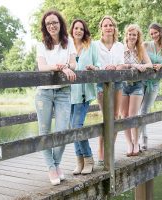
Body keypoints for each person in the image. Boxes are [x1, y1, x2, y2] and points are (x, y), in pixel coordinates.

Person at [35, 10, 76, 185]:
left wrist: (67, 65)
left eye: (55, 22)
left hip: (63, 91)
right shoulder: (41, 45)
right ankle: (51, 167)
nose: (52, 25)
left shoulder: (69, 43)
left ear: (60, 24)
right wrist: (60, 67)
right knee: (44, 132)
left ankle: (57, 164)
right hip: (44, 92)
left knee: (62, 131)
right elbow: (42, 67)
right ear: (45, 26)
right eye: (48, 23)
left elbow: (74, 63)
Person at [69, 19, 100, 175]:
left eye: (81, 28)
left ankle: (88, 159)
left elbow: (99, 64)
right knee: (71, 128)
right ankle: (79, 162)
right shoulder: (66, 45)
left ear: (84, 30)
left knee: (77, 126)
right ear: (72, 30)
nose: (78, 31)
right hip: (68, 94)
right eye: (76, 28)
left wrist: (94, 68)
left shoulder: (91, 45)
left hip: (84, 93)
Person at [95, 16, 125, 165]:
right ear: (101, 28)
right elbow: (94, 64)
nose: (108, 27)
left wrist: (116, 67)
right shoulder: (95, 45)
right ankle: (101, 152)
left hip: (117, 83)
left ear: (114, 28)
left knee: (116, 117)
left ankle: (110, 149)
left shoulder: (119, 45)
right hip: (102, 84)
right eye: (105, 25)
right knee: (106, 118)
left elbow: (122, 64)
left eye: (111, 25)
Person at [139, 23, 162, 151]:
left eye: (155, 33)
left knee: (144, 111)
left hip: (154, 83)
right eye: (151, 33)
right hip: (142, 81)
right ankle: (140, 140)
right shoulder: (146, 45)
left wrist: (161, 66)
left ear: (160, 32)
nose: (153, 35)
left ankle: (144, 140)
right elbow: (138, 59)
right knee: (138, 111)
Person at [120, 24, 152, 156]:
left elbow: (149, 64)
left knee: (133, 115)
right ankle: (128, 143)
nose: (132, 37)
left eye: (134, 34)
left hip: (137, 85)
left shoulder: (140, 49)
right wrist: (134, 65)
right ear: (126, 35)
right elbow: (119, 65)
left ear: (138, 36)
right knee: (124, 116)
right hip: (122, 86)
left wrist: (144, 66)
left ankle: (135, 142)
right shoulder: (120, 49)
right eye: (130, 34)